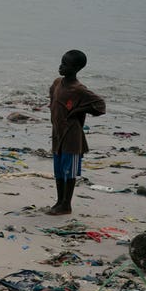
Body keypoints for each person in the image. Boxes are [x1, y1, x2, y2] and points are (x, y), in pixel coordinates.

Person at [47, 50, 106, 215]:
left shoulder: (79, 89)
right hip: (58, 134)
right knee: (58, 170)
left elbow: (100, 105)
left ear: (76, 68)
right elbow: (53, 100)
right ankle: (59, 201)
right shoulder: (57, 83)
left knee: (69, 171)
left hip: (72, 137)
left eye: (65, 64)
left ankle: (67, 204)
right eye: (61, 62)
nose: (61, 66)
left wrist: (79, 110)